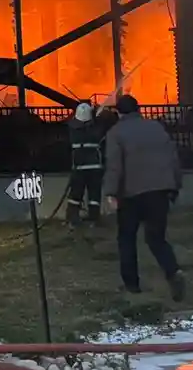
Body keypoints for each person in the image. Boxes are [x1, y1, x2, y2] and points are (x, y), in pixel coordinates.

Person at [102, 94, 186, 300]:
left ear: (118, 112)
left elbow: (114, 166)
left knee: (127, 239)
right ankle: (173, 271)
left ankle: (132, 286)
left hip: (131, 195)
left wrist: (111, 193)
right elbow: (173, 157)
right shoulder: (157, 128)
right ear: (138, 109)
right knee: (156, 238)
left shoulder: (116, 133)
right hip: (159, 192)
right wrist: (175, 185)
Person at [66, 101, 104, 225]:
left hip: (78, 167)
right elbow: (101, 128)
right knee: (94, 194)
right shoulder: (96, 129)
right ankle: (94, 218)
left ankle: (72, 217)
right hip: (95, 167)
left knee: (75, 193)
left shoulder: (73, 130)